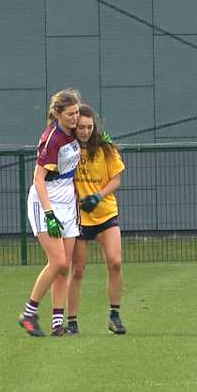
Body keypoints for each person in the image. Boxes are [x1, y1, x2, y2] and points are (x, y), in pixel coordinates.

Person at [18, 89, 81, 337]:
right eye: (70, 114)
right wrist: (49, 214)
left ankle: (57, 323)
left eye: (76, 112)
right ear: (57, 114)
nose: (75, 118)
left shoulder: (74, 132)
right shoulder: (52, 139)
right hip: (47, 202)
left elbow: (90, 133)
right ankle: (28, 313)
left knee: (64, 267)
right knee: (58, 261)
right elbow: (39, 178)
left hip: (68, 203)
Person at [66, 104, 127, 335]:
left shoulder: (105, 148)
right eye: (81, 127)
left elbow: (116, 180)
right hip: (80, 218)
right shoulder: (67, 148)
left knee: (115, 262)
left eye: (89, 127)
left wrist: (97, 196)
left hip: (105, 213)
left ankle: (114, 315)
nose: (85, 131)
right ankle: (71, 321)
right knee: (78, 269)